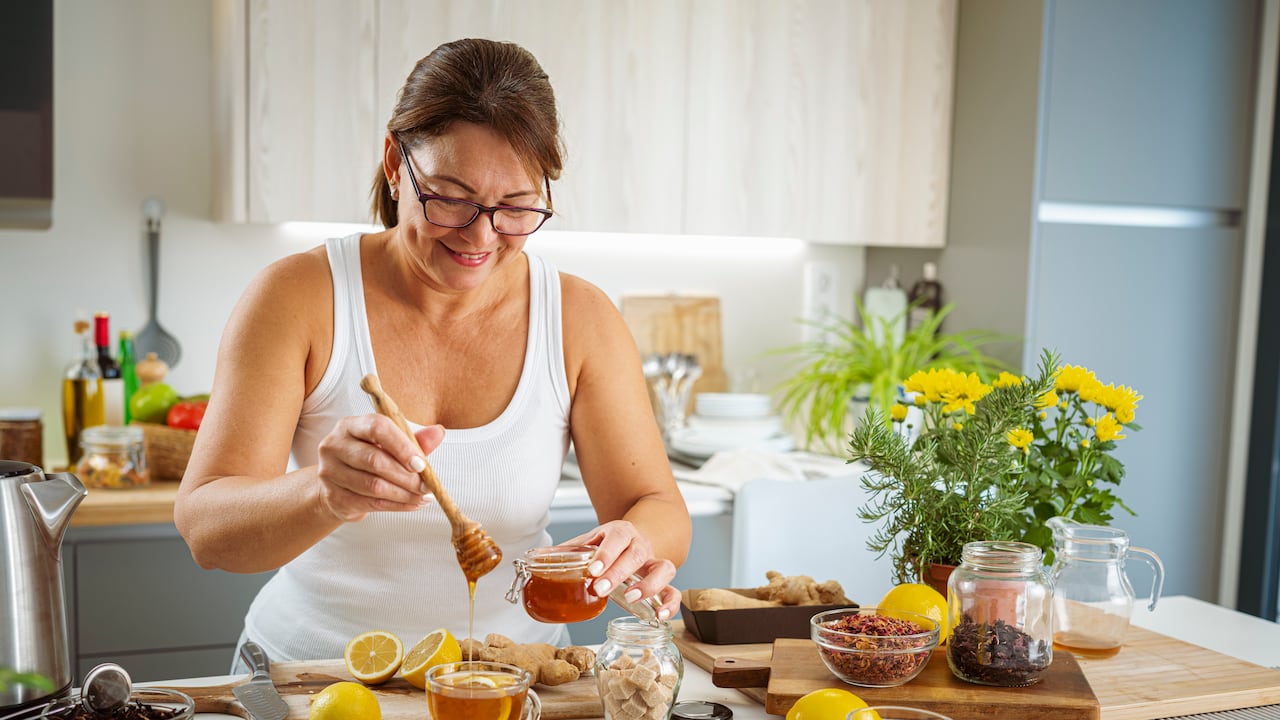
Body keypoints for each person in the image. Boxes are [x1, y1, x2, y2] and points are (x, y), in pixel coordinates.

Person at [173, 38, 691, 663]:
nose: (480, 235)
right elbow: (206, 530)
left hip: (510, 678)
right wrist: (324, 492)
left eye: (516, 207)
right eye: (450, 196)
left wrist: (632, 543)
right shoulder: (297, 297)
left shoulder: (580, 320)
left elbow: (658, 506)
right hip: (312, 679)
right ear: (395, 163)